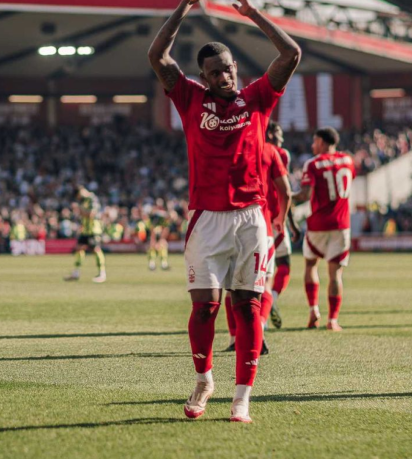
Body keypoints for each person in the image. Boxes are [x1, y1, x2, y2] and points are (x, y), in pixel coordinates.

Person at [148, 0, 300, 423]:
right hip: (206, 219)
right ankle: (204, 381)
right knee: (204, 308)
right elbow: (157, 56)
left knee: (247, 307)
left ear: (236, 68)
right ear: (204, 77)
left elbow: (291, 53)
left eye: (228, 69)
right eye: (214, 72)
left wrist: (251, 14)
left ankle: (242, 398)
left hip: (251, 217)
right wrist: (184, 6)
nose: (224, 76)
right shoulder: (189, 98)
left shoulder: (258, 98)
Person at [223, 121, 292, 354]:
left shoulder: (229, 146)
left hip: (231, 224)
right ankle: (259, 328)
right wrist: (283, 218)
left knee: (231, 286)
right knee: (264, 283)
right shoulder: (272, 151)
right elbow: (286, 191)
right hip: (263, 225)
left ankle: (234, 338)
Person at [293, 128, 355, 331]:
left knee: (311, 265)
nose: (313, 146)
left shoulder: (312, 164)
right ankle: (333, 320)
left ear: (321, 142)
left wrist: (286, 195)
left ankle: (313, 310)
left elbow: (305, 194)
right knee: (335, 274)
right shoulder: (348, 160)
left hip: (318, 224)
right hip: (341, 224)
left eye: (315, 141)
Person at [265, 121, 300, 329]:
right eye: (279, 133)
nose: (282, 138)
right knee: (282, 264)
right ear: (270, 133)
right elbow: (284, 191)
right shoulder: (279, 154)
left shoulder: (249, 148)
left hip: (253, 215)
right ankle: (271, 301)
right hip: (274, 217)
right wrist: (291, 223)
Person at [64, 187, 107, 283]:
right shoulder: (83, 201)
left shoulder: (92, 199)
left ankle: (102, 273)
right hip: (85, 230)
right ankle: (76, 273)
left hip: (94, 229)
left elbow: (91, 214)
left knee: (96, 249)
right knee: (79, 249)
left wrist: (79, 209)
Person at [147, 200, 171, 271]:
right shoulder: (153, 217)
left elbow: (165, 229)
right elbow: (152, 230)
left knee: (163, 245)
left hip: (160, 235)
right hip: (154, 235)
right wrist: (154, 240)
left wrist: (160, 240)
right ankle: (152, 263)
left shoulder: (163, 218)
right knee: (152, 246)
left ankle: (164, 263)